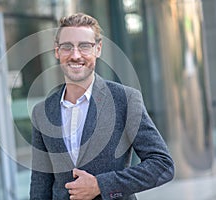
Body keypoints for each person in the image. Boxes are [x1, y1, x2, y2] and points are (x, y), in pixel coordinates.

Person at [30, 13, 174, 200]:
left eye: (84, 46)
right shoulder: (42, 112)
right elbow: (40, 184)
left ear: (98, 49)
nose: (75, 55)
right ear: (57, 51)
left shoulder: (125, 99)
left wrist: (101, 185)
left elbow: (162, 165)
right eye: (67, 47)